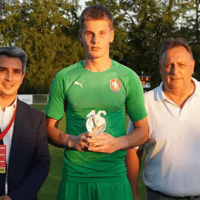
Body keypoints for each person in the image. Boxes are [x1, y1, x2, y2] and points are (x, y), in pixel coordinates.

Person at [45, 4, 148, 200]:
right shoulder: (64, 77)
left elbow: (143, 131)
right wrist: (72, 140)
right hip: (75, 179)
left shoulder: (128, 77)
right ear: (80, 35)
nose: (95, 40)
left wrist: (118, 142)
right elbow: (49, 129)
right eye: (89, 33)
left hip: (115, 179)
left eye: (102, 33)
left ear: (111, 35)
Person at [126, 37, 200, 200]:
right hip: (159, 196)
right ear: (160, 68)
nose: (175, 71)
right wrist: (132, 195)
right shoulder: (145, 103)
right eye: (169, 65)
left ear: (192, 67)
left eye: (181, 65)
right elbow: (132, 152)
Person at [0, 46, 50, 200]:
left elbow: (41, 165)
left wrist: (15, 197)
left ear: (22, 77)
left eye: (16, 72)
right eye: (3, 70)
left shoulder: (36, 118)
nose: (9, 78)